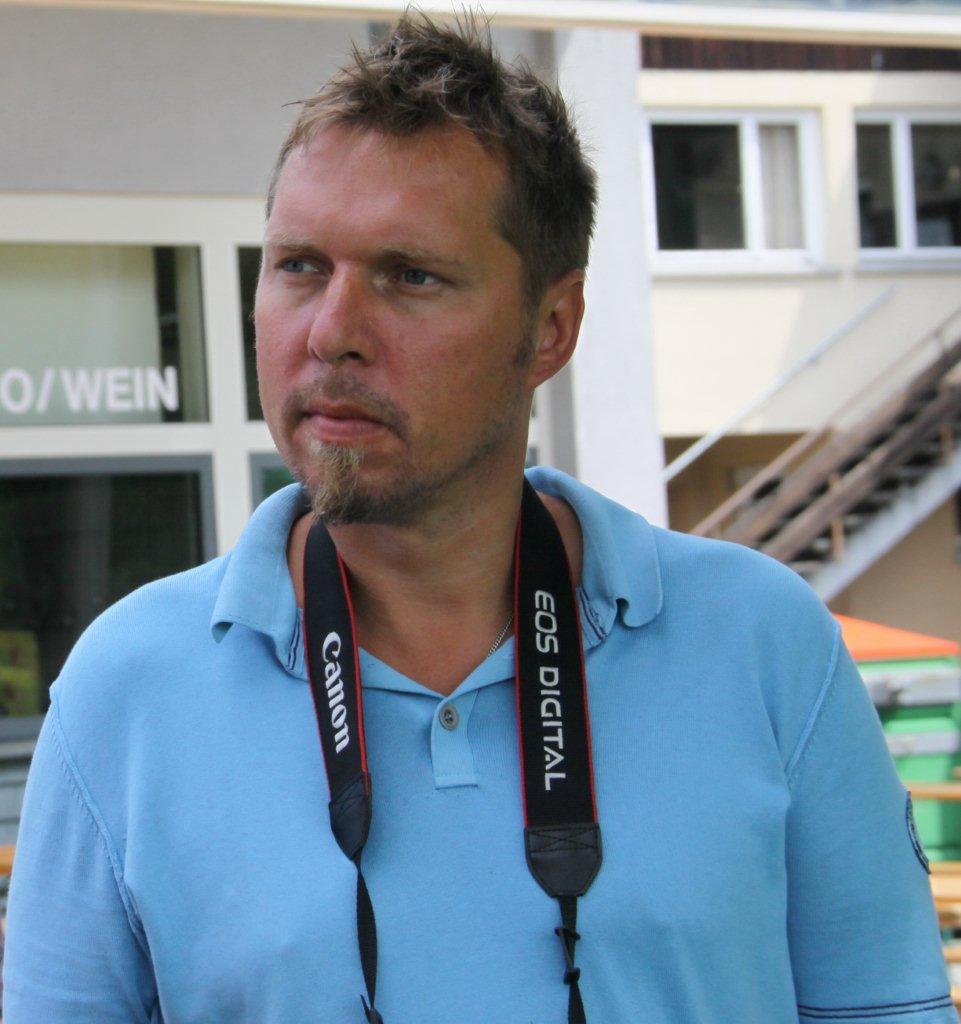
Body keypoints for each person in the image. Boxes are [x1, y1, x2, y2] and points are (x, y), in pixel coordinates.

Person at [3, 12, 956, 1024]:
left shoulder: (762, 641)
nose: (332, 331)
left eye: (410, 275)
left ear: (551, 326)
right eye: (298, 266)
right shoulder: (127, 686)